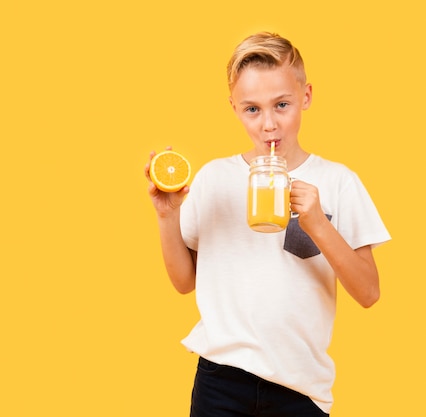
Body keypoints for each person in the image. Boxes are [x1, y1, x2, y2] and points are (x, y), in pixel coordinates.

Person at [144, 32, 390, 417]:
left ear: (305, 97)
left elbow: (369, 292)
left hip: (300, 387)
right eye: (252, 109)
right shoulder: (214, 179)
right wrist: (167, 216)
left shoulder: (339, 182)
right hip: (221, 380)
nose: (269, 124)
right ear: (234, 108)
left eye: (282, 105)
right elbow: (183, 281)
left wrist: (318, 225)